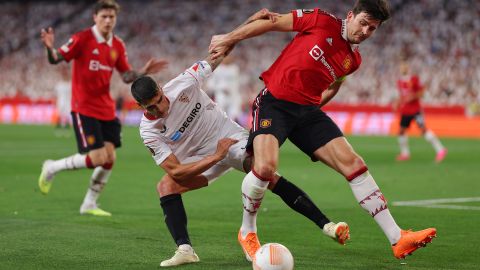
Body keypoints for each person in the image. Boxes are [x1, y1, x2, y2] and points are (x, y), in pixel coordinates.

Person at [209, 0, 436, 260]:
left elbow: (335, 83)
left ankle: (398, 238)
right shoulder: (320, 20)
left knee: (354, 163)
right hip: (276, 103)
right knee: (264, 168)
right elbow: (271, 22)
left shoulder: (353, 60)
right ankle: (247, 231)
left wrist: (317, 104)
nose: (365, 32)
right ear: (350, 16)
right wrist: (229, 38)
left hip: (307, 112)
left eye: (372, 29)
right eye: (363, 23)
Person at [130, 10, 349, 268]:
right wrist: (215, 156)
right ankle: (185, 249)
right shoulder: (148, 130)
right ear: (139, 106)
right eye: (152, 107)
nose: (160, 108)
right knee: (166, 186)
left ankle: (326, 224)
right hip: (204, 158)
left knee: (266, 173)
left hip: (229, 137)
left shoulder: (183, 83)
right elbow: (177, 171)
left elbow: (220, 51)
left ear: (160, 89)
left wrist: (249, 23)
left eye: (159, 100)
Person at [37, 0, 167, 217]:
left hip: (105, 108)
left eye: (111, 17)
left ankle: (89, 203)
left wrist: (142, 71)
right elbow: (56, 58)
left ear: (115, 19)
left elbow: (126, 76)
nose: (108, 21)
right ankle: (51, 167)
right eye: (104, 16)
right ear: (94, 17)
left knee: (109, 159)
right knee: (98, 158)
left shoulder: (117, 45)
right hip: (84, 107)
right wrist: (49, 48)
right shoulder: (82, 38)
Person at [393, 61, 447, 162]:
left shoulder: (414, 79)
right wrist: (398, 102)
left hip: (415, 110)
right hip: (405, 111)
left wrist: (413, 96)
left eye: (405, 67)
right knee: (401, 131)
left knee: (423, 130)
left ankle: (441, 149)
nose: (403, 68)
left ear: (408, 68)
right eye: (401, 67)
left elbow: (421, 92)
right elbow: (402, 96)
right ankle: (405, 154)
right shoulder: (399, 82)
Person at [205, 54, 243, 122]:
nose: (228, 58)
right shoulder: (217, 69)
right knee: (221, 115)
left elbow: (237, 84)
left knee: (234, 115)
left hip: (233, 95)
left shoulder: (234, 68)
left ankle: (234, 130)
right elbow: (210, 85)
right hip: (221, 94)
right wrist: (221, 88)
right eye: (226, 57)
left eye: (229, 57)